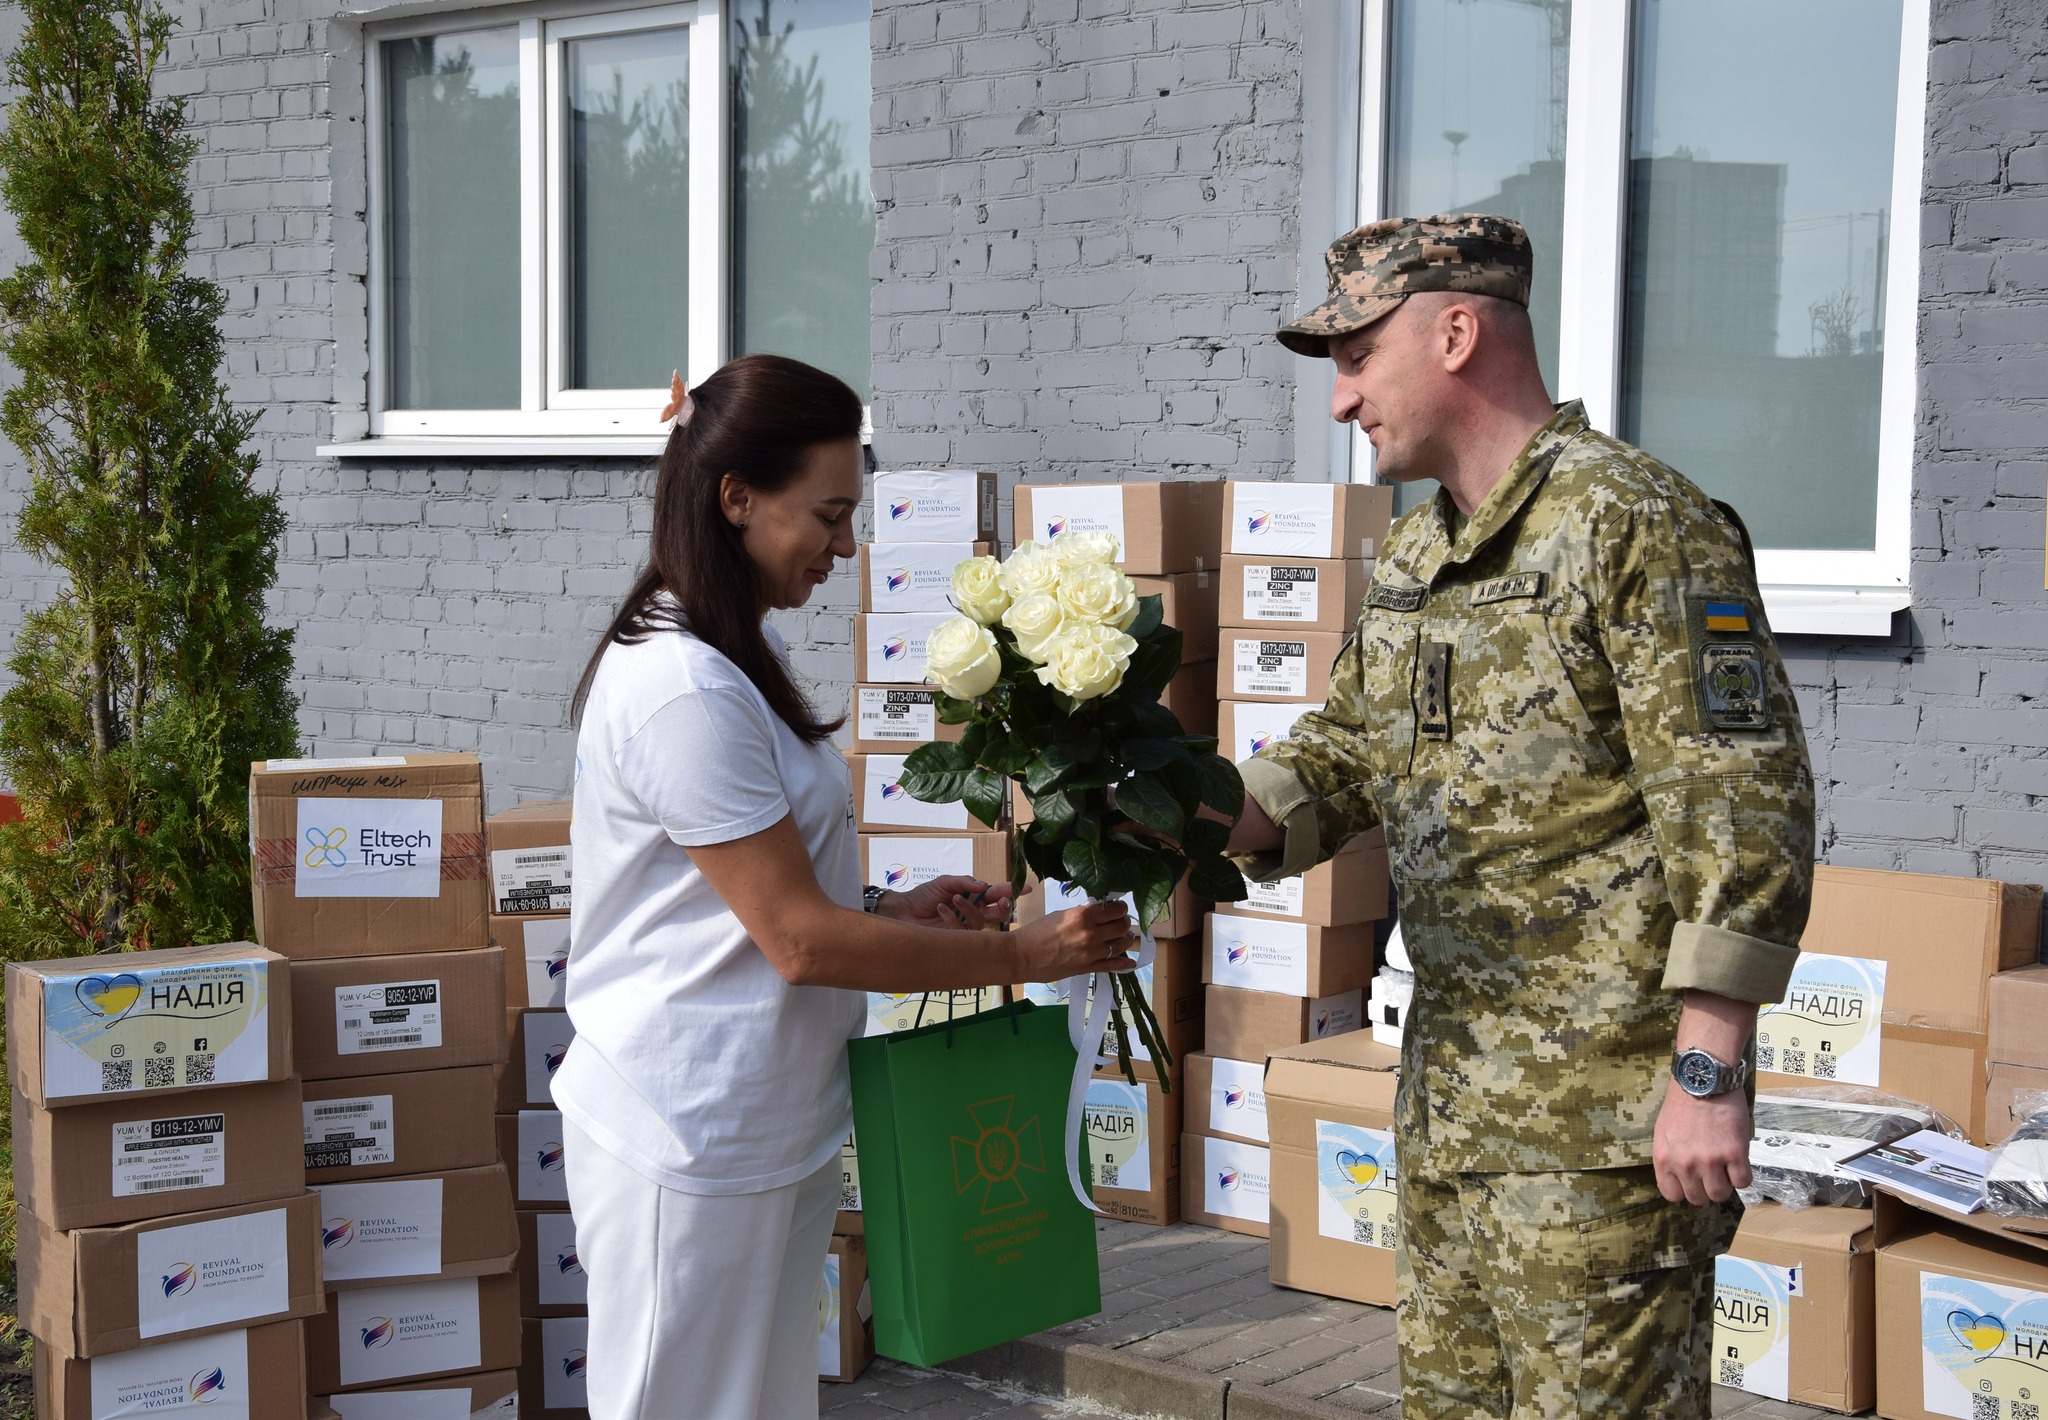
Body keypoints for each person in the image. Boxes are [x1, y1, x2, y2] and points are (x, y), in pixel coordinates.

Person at [1228, 215, 1815, 1418]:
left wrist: (1706, 1073)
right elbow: (1336, 763)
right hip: (1451, 1119)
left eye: (1354, 356)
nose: (1339, 401)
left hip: (1601, 1142)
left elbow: (1740, 806)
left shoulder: (1631, 522)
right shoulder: (1412, 557)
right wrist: (1154, 791)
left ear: (1454, 331)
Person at [553, 353, 1136, 1420]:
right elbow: (795, 941)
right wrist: (1017, 958)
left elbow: (750, 898)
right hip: (687, 1131)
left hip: (764, 1119)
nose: (846, 546)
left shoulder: (735, 657)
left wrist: (883, 910)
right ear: (736, 498)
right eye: (827, 514)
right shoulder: (680, 683)